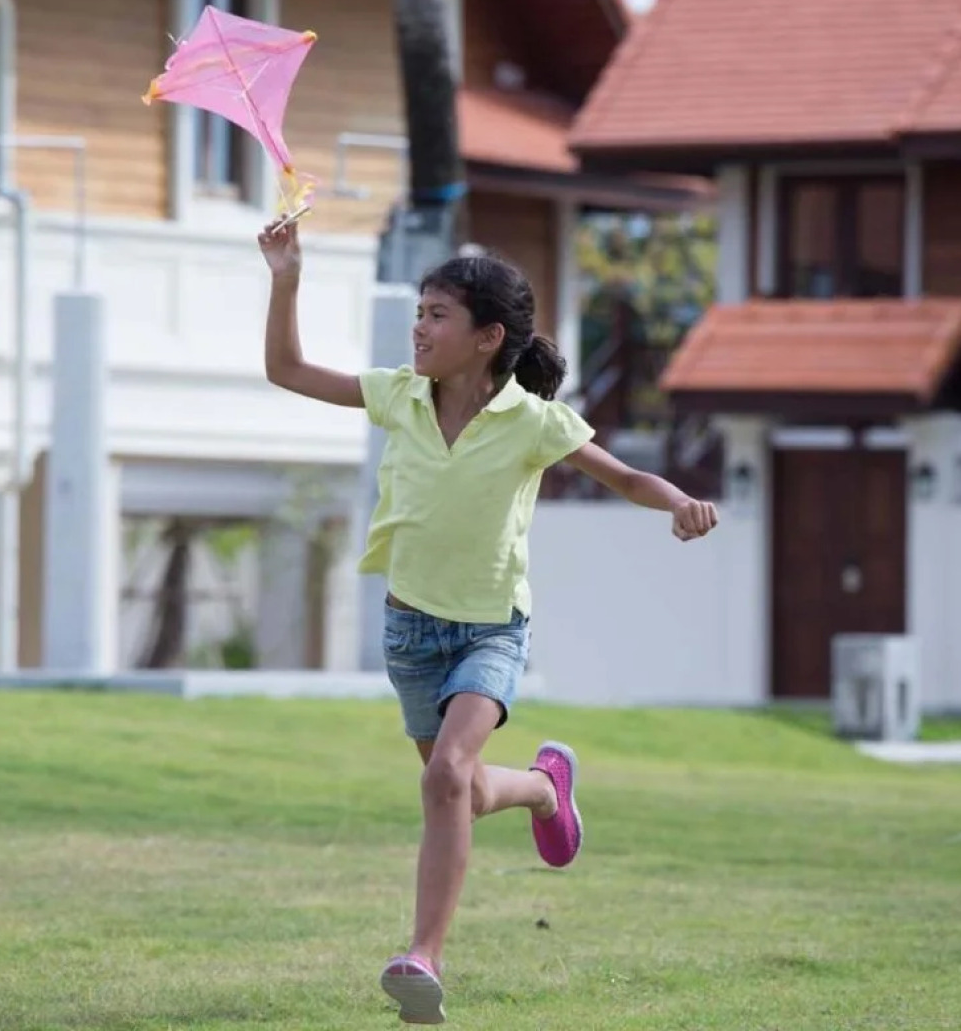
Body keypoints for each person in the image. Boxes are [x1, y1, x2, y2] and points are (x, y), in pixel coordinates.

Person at [257, 215, 719, 1024]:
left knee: (443, 779)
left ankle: (422, 958)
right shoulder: (398, 395)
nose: (420, 327)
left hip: (490, 631)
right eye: (420, 312)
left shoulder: (532, 421)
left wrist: (679, 502)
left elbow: (622, 475)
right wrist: (287, 277)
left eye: (438, 315)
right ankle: (545, 789)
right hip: (410, 631)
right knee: (460, 794)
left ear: (485, 337)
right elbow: (287, 370)